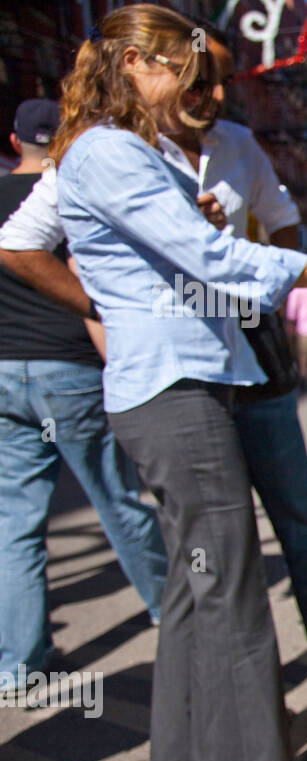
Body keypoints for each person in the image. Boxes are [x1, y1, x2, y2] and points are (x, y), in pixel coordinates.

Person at [47, 5, 307, 761]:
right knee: (231, 589)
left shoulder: (121, 151)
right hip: (172, 384)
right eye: (186, 70)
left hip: (191, 375)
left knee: (196, 584)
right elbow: (211, 260)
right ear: (139, 66)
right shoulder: (111, 151)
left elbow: (192, 248)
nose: (202, 89)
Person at [0, 99, 168, 684]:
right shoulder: (70, 192)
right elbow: (93, 273)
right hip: (66, 368)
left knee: (16, 521)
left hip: (4, 372)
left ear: (15, 140)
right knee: (116, 500)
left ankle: (19, 665)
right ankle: (175, 617)